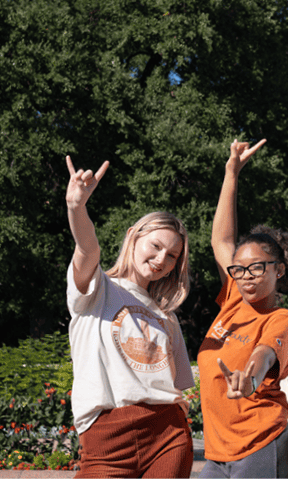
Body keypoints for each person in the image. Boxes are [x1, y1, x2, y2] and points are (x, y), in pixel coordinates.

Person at [65, 156, 195, 478]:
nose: (161, 259)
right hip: (106, 436)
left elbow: (177, 384)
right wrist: (77, 207)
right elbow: (87, 250)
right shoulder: (96, 289)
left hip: (167, 433)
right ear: (133, 235)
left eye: (172, 256)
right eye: (155, 245)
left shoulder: (166, 315)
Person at [198, 139, 288, 478]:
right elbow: (221, 240)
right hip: (218, 451)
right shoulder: (232, 298)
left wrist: (251, 379)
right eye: (240, 268)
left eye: (258, 267)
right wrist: (231, 172)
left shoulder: (282, 320)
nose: (247, 276)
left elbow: (264, 355)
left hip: (260, 443)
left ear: (279, 270)